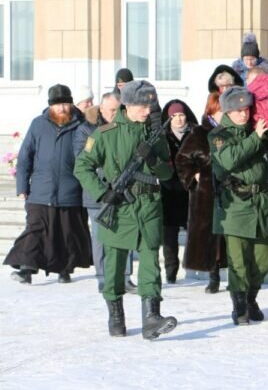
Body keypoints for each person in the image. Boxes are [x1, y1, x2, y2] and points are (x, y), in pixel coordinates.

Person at [74, 80, 178, 340]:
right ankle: (116, 314)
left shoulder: (154, 134)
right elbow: (82, 167)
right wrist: (102, 193)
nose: (147, 111)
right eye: (142, 106)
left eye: (150, 106)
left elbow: (167, 174)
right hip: (120, 207)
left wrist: (153, 158)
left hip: (149, 206)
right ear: (127, 105)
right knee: (115, 264)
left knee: (151, 261)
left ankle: (151, 317)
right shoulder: (105, 134)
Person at [5, 84, 92, 285]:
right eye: (57, 105)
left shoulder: (83, 126)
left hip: (71, 191)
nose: (61, 108)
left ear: (71, 104)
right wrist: (22, 186)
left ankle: (64, 270)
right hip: (40, 190)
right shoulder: (38, 124)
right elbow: (25, 156)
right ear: (50, 106)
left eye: (65, 104)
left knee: (67, 233)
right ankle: (26, 269)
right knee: (35, 230)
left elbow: (90, 156)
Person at [209, 87, 268, 326]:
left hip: (261, 203)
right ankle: (239, 306)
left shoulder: (256, 129)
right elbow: (230, 159)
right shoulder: (218, 135)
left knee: (264, 257)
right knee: (238, 261)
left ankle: (250, 298)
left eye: (246, 109)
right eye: (238, 110)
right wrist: (255, 137)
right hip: (235, 204)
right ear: (228, 111)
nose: (244, 114)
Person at [74, 92, 136, 293]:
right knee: (100, 237)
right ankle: (103, 277)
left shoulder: (127, 128)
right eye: (111, 110)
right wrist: (110, 173)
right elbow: (83, 161)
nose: (115, 114)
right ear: (101, 109)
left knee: (125, 233)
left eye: (119, 110)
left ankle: (125, 277)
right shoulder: (87, 130)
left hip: (124, 192)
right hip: (97, 193)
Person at [175, 92, 227, 294]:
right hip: (206, 193)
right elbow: (182, 159)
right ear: (212, 111)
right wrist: (193, 175)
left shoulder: (232, 132)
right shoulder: (199, 133)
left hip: (230, 189)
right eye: (221, 110)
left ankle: (235, 275)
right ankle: (213, 275)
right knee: (210, 234)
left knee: (229, 235)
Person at [160, 99, 198, 283]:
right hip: (169, 191)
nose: (178, 119)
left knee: (194, 232)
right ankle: (171, 270)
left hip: (191, 191)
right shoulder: (162, 137)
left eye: (181, 115)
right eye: (174, 116)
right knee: (169, 235)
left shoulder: (195, 134)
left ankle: (194, 265)